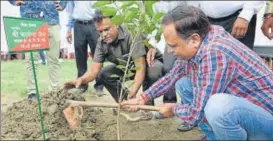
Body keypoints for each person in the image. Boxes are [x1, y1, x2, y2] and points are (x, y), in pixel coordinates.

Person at [122, 5, 273, 140]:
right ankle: (214, 137)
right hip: (247, 108)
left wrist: (173, 109)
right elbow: (172, 77)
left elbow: (197, 112)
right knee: (183, 84)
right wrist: (143, 98)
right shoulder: (204, 38)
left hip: (267, 119)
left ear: (194, 39)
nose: (170, 51)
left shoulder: (214, 52)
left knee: (218, 107)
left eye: (173, 46)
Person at [64, 12, 164, 104]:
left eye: (107, 29)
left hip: (150, 63)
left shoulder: (132, 34)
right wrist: (81, 80)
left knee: (152, 71)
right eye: (100, 31)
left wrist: (133, 92)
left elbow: (140, 67)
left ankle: (146, 105)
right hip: (128, 67)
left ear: (116, 24)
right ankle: (124, 102)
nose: (104, 34)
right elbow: (94, 70)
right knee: (104, 73)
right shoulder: (101, 42)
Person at [9, 0, 67, 100]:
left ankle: (54, 91)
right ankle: (32, 92)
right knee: (31, 59)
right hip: (30, 19)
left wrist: (63, 3)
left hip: (52, 18)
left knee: (54, 59)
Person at [57, 1, 103, 94]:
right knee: (80, 57)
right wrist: (69, 29)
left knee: (98, 55)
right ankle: (82, 85)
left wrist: (100, 27)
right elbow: (71, 12)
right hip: (78, 26)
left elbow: (100, 9)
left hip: (93, 25)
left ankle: (99, 86)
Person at [187, 1, 264, 49]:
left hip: (238, 17)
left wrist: (246, 14)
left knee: (238, 63)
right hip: (205, 17)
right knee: (210, 61)